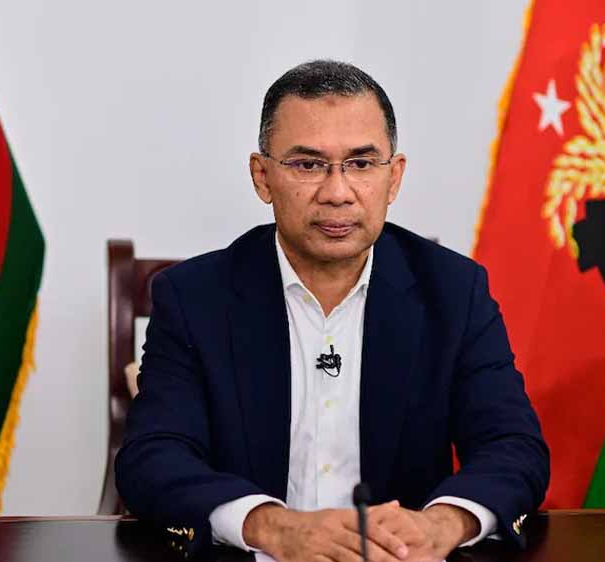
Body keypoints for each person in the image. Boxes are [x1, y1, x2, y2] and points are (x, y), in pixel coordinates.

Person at [115, 60, 549, 562]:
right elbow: (154, 456)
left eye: (361, 164)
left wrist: (441, 524)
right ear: (262, 177)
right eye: (307, 165)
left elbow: (513, 446)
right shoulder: (194, 298)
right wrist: (272, 527)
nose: (337, 193)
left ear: (394, 178)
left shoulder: (453, 292)